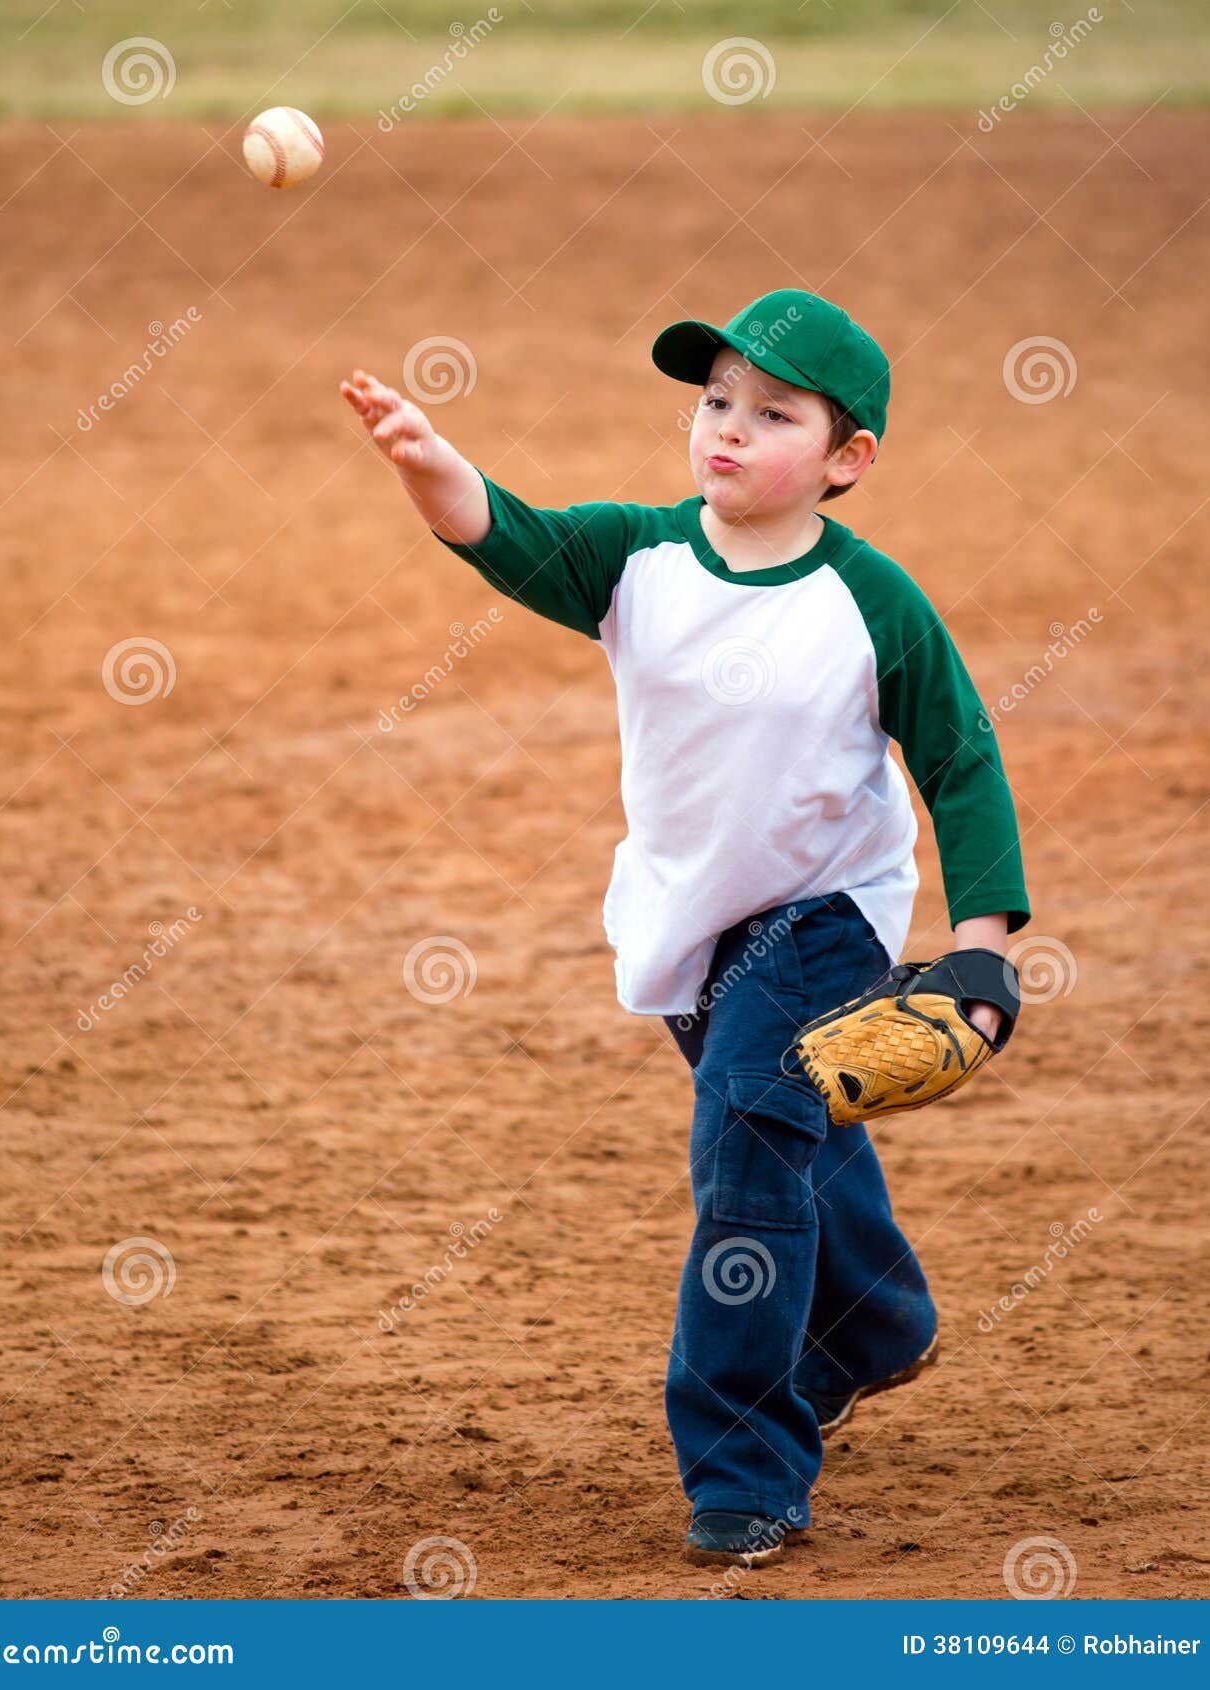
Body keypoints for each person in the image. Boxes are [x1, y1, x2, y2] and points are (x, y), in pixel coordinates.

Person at [340, 287, 1030, 1569]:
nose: (726, 428)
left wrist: (982, 938)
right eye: (713, 401)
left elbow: (960, 758)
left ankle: (744, 1464)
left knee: (745, 1165)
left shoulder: (868, 602)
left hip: (821, 917)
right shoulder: (637, 555)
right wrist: (433, 467)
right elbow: (510, 535)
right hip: (683, 924)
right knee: (788, 1121)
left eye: (771, 414)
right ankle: (875, 1320)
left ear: (844, 459)